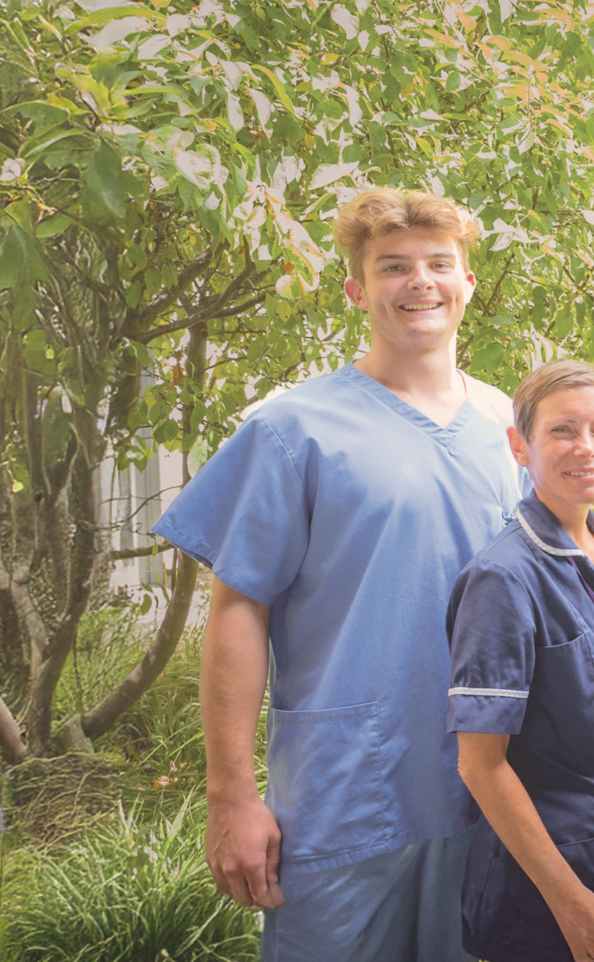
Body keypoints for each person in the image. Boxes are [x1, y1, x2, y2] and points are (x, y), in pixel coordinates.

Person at [153, 188, 527, 961]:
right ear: (357, 290)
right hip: (349, 794)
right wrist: (231, 796)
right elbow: (238, 611)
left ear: (467, 284)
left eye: (439, 264)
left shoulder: (510, 428)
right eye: (393, 267)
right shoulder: (293, 429)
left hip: (490, 793)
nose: (419, 281)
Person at [446, 359, 594, 962]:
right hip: (548, 896)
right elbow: (481, 766)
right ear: (519, 446)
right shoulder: (503, 580)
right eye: (562, 430)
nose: (587, 448)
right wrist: (567, 899)